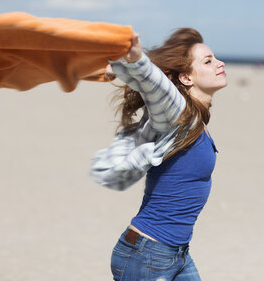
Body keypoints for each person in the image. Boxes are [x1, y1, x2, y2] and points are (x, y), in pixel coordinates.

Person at [90, 28, 227, 280]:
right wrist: (135, 60)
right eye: (208, 61)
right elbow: (158, 88)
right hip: (148, 254)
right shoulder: (178, 114)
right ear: (186, 78)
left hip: (176, 254)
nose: (220, 63)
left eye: (215, 58)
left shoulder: (195, 119)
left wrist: (123, 67)